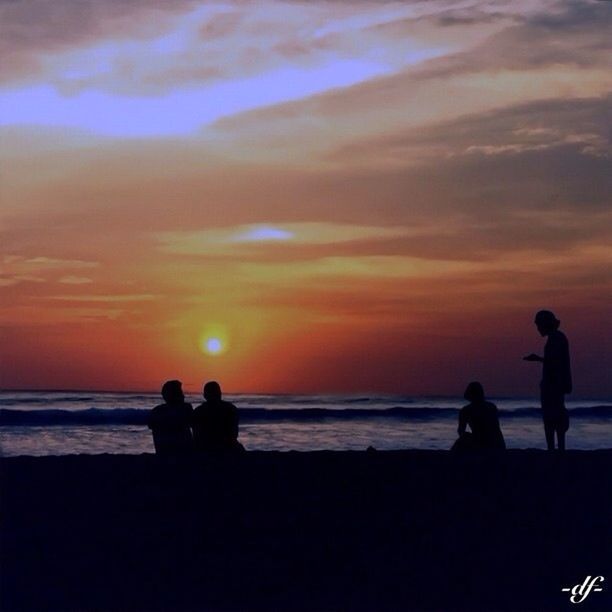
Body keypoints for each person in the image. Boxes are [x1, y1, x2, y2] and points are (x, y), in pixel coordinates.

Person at [524, 310, 572, 451]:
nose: (538, 329)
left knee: (552, 418)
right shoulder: (557, 338)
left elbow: (555, 362)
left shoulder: (557, 338)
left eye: (539, 325)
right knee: (555, 417)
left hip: (553, 386)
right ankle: (556, 448)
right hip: (554, 385)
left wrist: (538, 359)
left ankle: (554, 448)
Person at [192, 381, 244, 452]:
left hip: (205, 448)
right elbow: (234, 433)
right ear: (220, 393)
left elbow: (196, 435)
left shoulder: (198, 411)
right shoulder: (230, 408)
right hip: (227, 447)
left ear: (205, 395)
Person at [453, 381, 506, 451]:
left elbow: (461, 431)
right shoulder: (491, 406)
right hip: (499, 443)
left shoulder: (466, 410)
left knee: (462, 440)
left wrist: (466, 436)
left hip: (483, 443)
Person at [148, 380, 194, 455]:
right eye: (180, 393)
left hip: (163, 454)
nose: (183, 396)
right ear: (176, 395)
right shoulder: (185, 408)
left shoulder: (156, 411)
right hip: (184, 455)